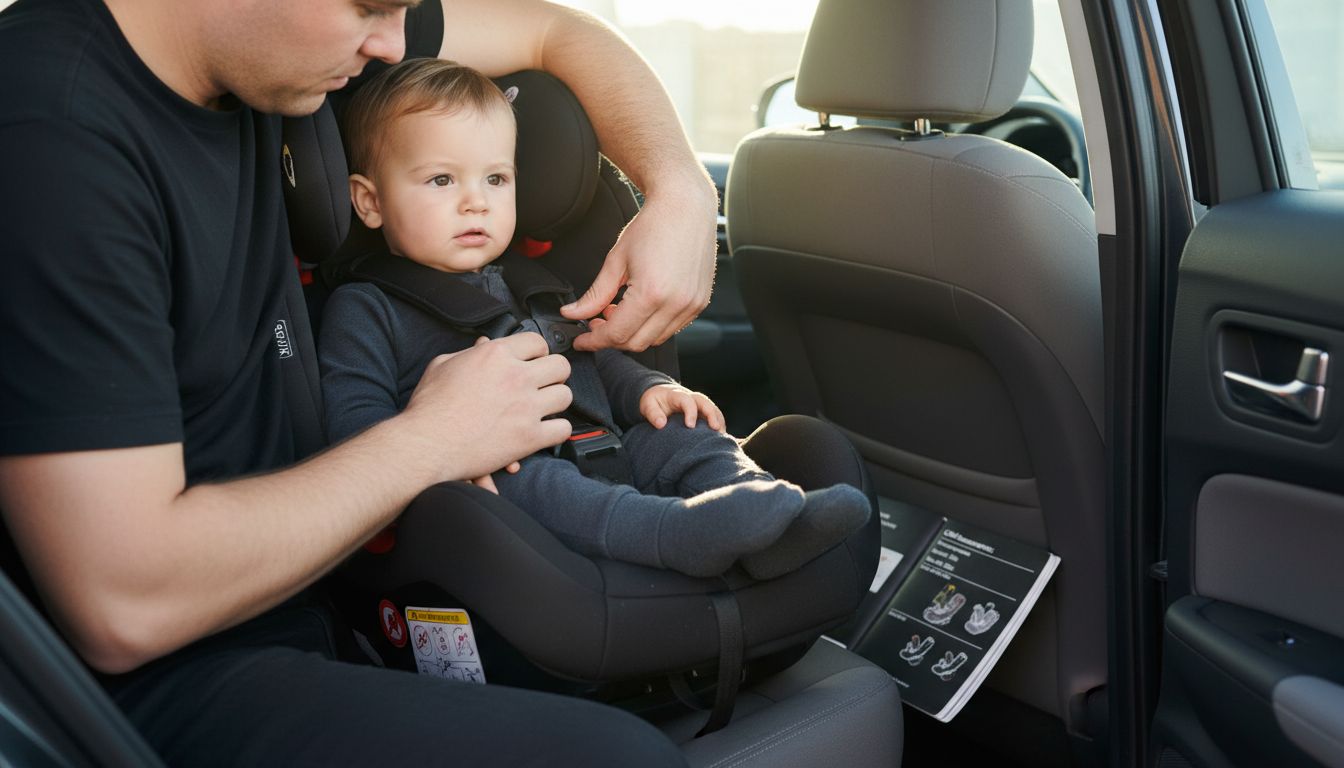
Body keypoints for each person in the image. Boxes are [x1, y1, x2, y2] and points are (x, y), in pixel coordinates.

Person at [0, 0, 723, 763]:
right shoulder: (55, 137)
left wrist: (680, 189)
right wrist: (432, 438)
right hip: (165, 684)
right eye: (372, 8)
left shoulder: (293, 39)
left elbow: (558, 32)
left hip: (332, 595)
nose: (390, 44)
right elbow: (125, 603)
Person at [321, 58, 870, 580]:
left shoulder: (530, 283)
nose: (476, 203)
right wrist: (434, 457)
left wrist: (647, 388)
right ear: (369, 202)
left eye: (496, 179)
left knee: (680, 433)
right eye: (442, 180)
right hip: (503, 473)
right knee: (544, 485)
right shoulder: (367, 307)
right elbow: (353, 429)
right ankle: (679, 533)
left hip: (601, 440)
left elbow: (587, 360)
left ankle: (757, 503)